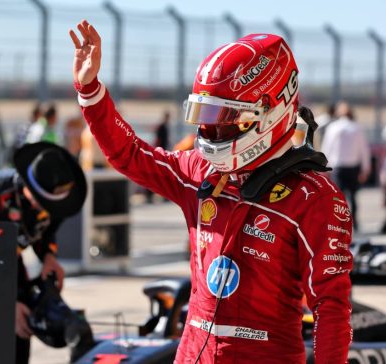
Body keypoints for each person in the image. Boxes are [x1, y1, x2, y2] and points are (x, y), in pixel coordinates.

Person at [70, 20, 352, 363]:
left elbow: (331, 307)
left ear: (270, 112)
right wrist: (90, 91)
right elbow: (130, 155)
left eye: (225, 119)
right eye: (206, 117)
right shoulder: (199, 172)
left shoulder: (315, 198)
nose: (212, 131)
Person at [0, 142, 87, 364]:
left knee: (21, 333)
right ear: (29, 188)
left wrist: (48, 256)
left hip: (10, 264)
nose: (48, 211)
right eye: (43, 203)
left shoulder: (53, 201)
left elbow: (46, 230)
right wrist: (3, 305)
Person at [321, 101, 370, 232]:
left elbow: (327, 148)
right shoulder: (357, 127)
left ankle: (340, 222)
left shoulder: (333, 127)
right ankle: (355, 222)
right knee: (353, 196)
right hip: (353, 167)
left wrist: (323, 167)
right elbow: (364, 150)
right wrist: (366, 168)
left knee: (338, 197)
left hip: (338, 167)